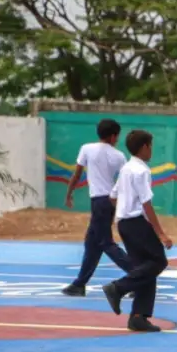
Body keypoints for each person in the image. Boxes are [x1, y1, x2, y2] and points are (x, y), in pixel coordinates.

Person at [101, 130, 173, 332]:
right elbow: (146, 203)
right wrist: (160, 233)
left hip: (124, 223)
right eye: (150, 146)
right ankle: (118, 288)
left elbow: (113, 196)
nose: (151, 150)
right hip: (136, 222)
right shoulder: (142, 171)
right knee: (158, 261)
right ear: (144, 147)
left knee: (145, 267)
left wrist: (122, 211)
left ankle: (138, 317)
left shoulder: (126, 168)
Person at [61, 119, 131, 297]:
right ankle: (79, 284)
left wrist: (69, 193)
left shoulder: (86, 149)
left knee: (105, 243)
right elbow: (125, 181)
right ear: (113, 136)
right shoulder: (119, 156)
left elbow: (77, 174)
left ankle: (140, 276)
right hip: (109, 201)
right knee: (92, 243)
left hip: (98, 201)